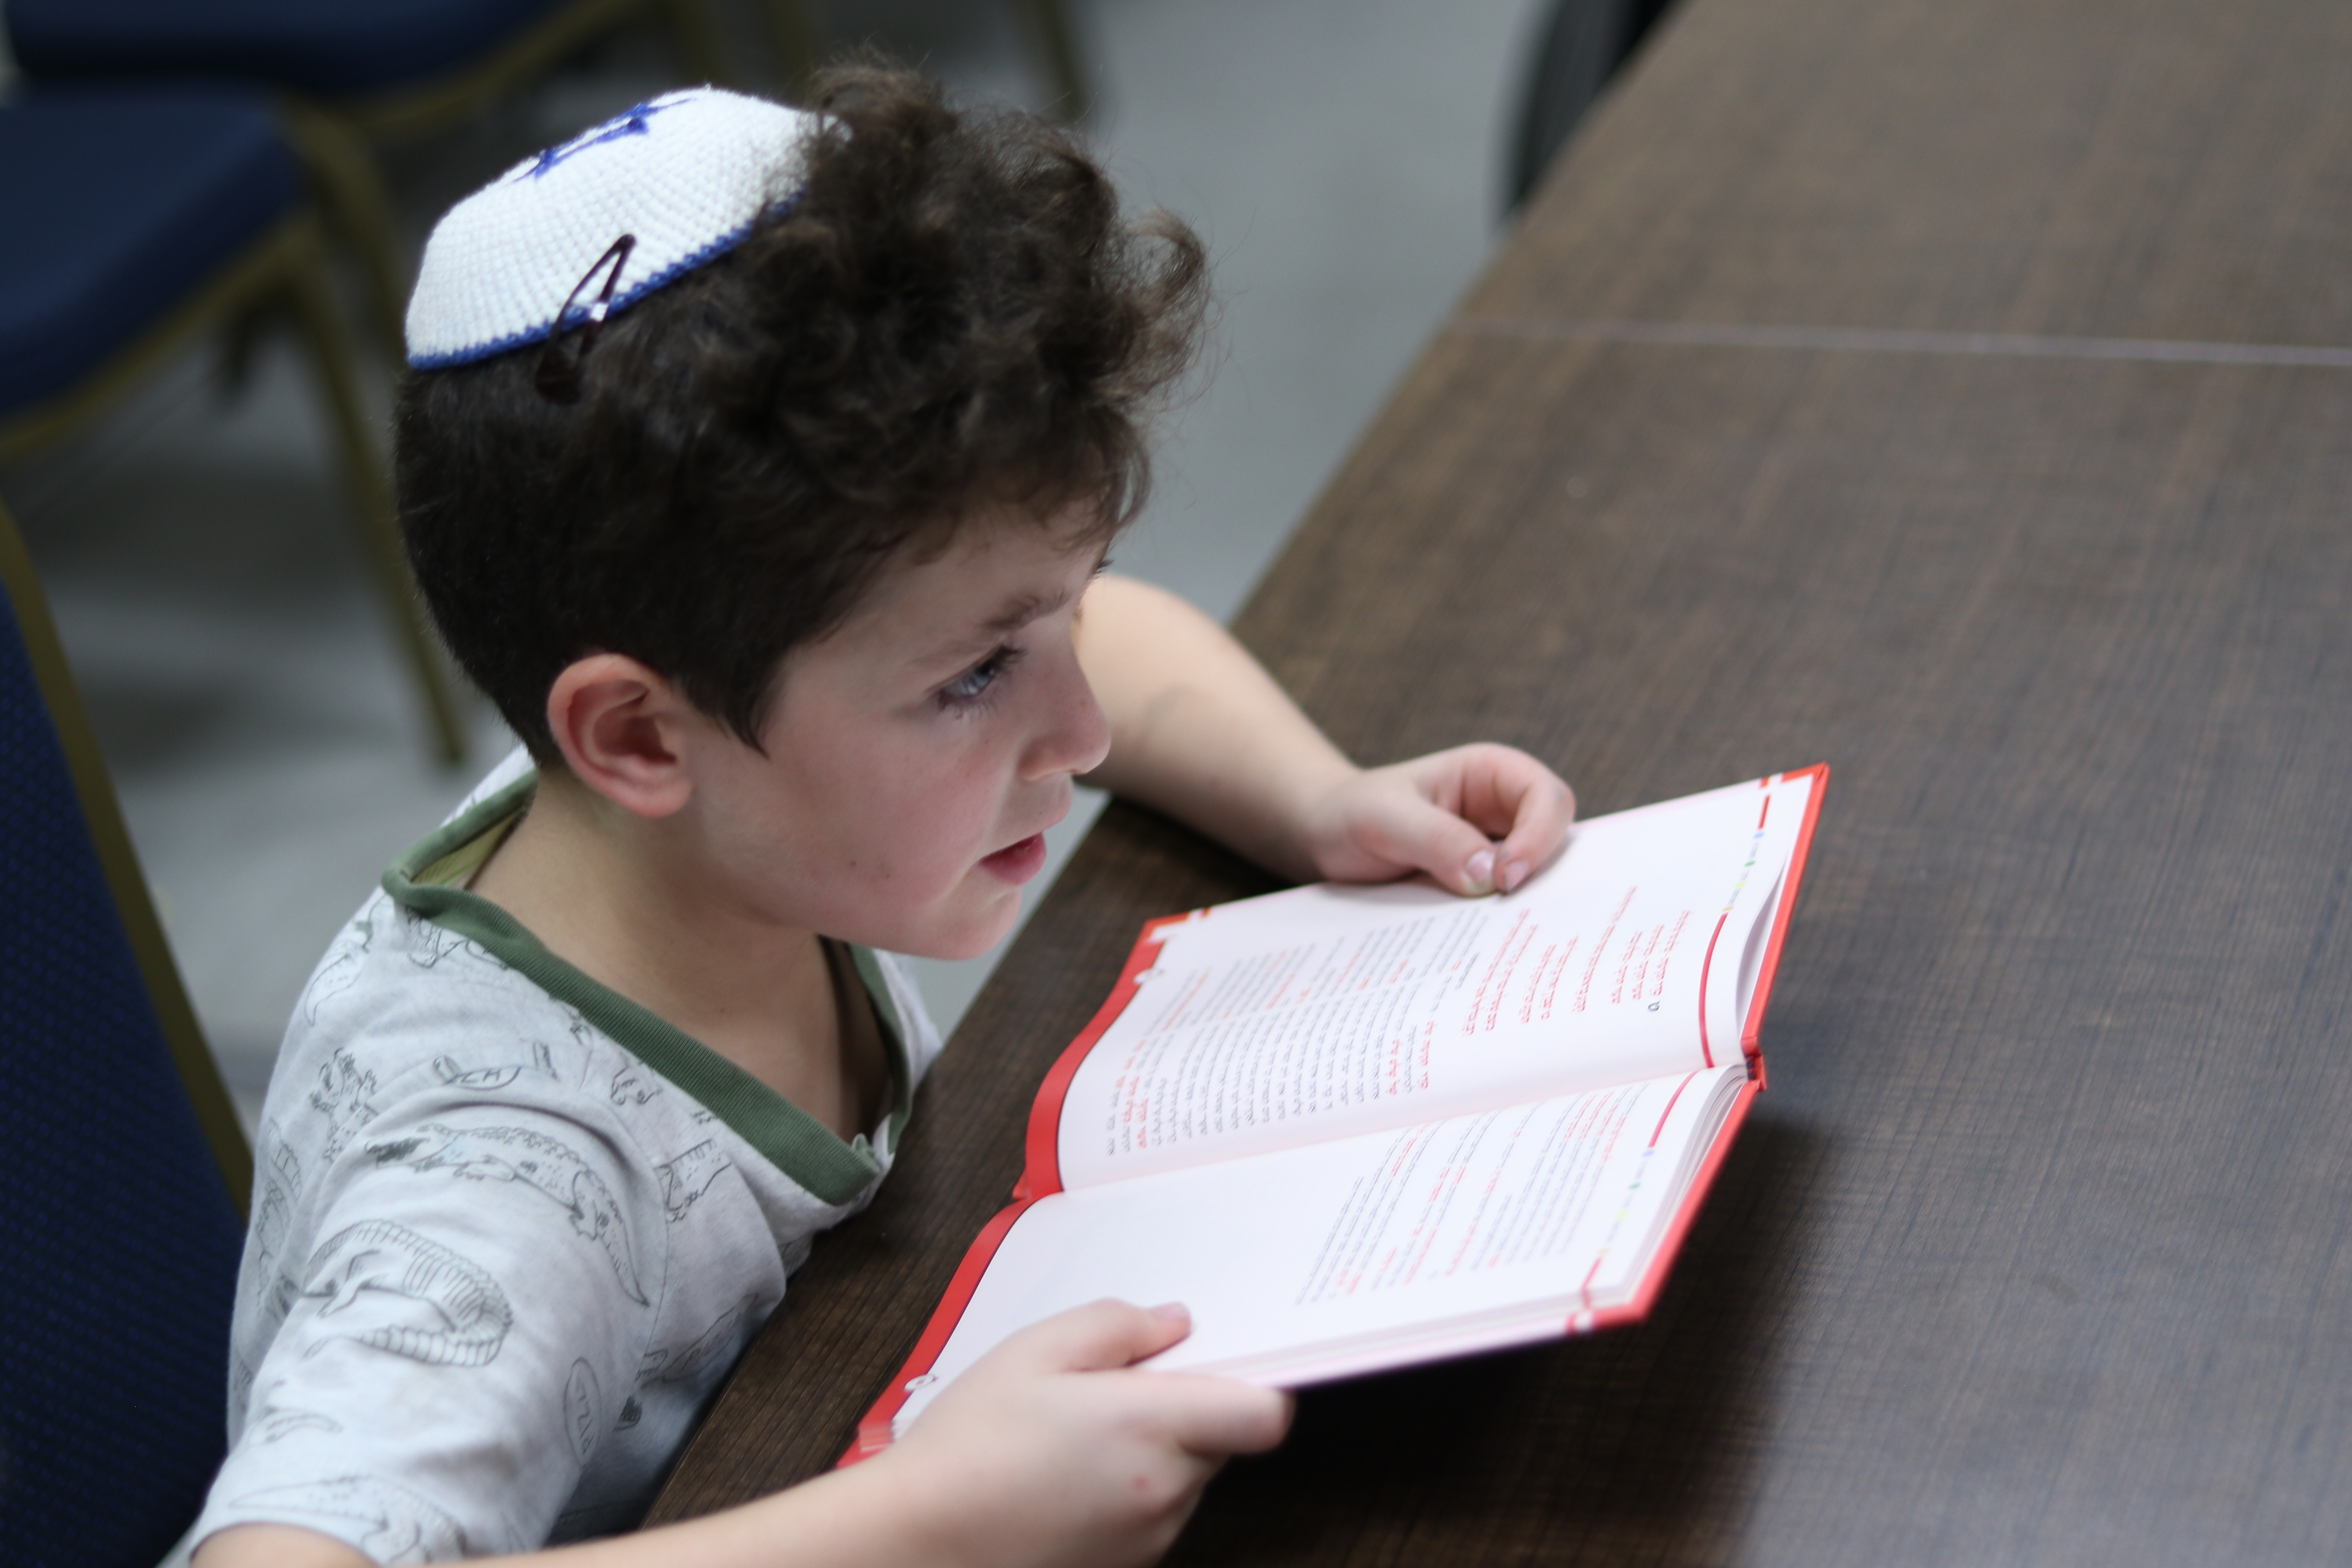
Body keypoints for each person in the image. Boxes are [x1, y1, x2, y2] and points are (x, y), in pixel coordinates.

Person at [189, 66, 1574, 1568]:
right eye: (978, 677)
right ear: (638, 735)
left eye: (1055, 621)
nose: (1083, 731)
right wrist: (939, 1518)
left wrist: (1318, 798)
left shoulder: (696, 805)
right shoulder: (502, 1182)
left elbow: (1083, 644)